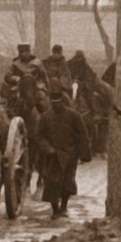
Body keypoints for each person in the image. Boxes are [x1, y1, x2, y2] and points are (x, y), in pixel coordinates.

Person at [37, 82, 92, 217]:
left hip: (70, 154)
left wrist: (84, 153)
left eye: (58, 103)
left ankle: (64, 207)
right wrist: (48, 148)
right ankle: (55, 210)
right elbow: (39, 136)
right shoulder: (45, 117)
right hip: (53, 156)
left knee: (67, 182)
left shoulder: (74, 116)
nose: (55, 105)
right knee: (51, 182)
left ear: (62, 101)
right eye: (53, 103)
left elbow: (83, 135)